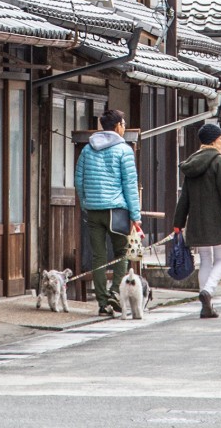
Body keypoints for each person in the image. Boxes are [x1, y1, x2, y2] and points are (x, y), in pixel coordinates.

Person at [171, 122, 221, 319]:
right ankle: (208, 291)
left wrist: (178, 222)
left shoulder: (191, 163)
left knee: (205, 260)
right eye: (220, 137)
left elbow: (184, 197)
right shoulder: (219, 161)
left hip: (197, 221)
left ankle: (206, 305)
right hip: (219, 221)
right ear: (213, 140)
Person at [74, 108, 141, 317]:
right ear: (119, 126)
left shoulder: (88, 149)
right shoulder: (124, 150)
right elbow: (130, 185)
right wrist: (136, 216)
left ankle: (102, 302)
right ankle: (114, 294)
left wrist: (85, 203)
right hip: (117, 210)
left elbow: (79, 180)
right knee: (121, 253)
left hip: (93, 209)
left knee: (98, 256)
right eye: (124, 123)